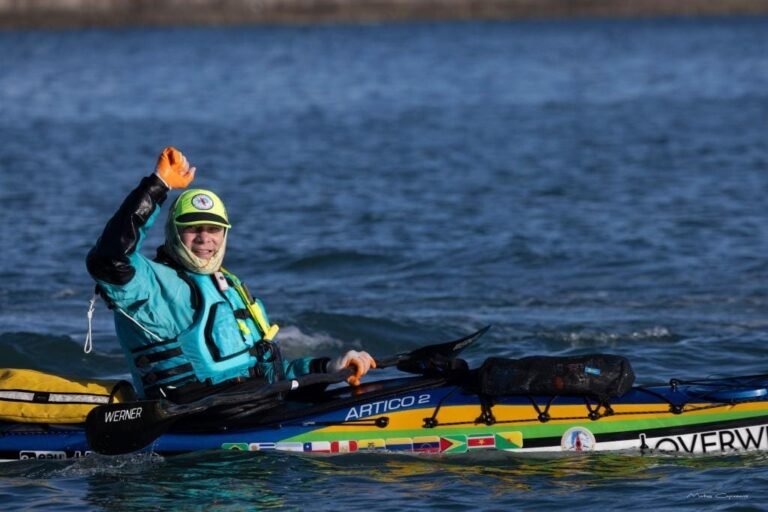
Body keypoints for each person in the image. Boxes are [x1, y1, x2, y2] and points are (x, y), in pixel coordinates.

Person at [87, 147, 375, 403]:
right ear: (174, 232)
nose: (204, 238)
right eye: (192, 228)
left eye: (213, 229)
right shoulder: (147, 285)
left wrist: (327, 368)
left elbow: (269, 374)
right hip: (193, 420)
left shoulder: (229, 286)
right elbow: (108, 257)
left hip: (254, 407)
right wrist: (158, 186)